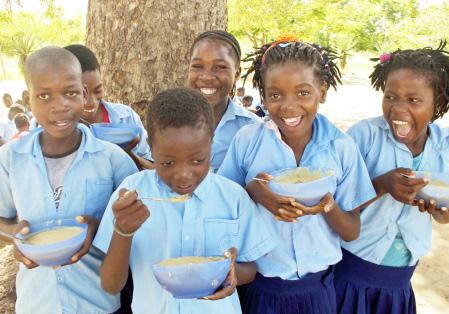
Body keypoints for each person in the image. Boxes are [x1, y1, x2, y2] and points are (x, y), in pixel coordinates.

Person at [217, 37, 376, 314]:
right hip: (260, 286)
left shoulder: (341, 147)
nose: (288, 107)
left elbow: (351, 231)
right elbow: (224, 205)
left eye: (303, 93)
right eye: (275, 95)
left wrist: (327, 205)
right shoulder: (248, 140)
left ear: (322, 92)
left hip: (318, 290)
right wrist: (255, 191)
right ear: (264, 97)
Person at [0, 46, 138, 313]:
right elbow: (0, 221)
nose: (59, 105)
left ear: (84, 95)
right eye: (44, 96)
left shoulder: (112, 160)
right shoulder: (10, 158)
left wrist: (97, 227)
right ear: (29, 99)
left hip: (98, 302)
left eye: (70, 93)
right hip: (38, 302)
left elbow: (133, 225)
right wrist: (15, 236)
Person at [94, 88, 275, 314]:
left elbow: (250, 268)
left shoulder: (232, 197)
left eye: (198, 160)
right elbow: (111, 285)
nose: (183, 175)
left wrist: (232, 274)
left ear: (212, 142)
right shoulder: (131, 195)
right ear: (151, 147)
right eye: (168, 163)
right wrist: (123, 231)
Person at [334, 42, 449, 314]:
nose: (397, 109)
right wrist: (381, 184)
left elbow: (447, 215)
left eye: (413, 100)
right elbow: (338, 204)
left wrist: (441, 211)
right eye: (390, 96)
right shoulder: (365, 135)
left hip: (401, 277)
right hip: (351, 268)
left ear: (439, 103)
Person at [64, 44, 152, 170]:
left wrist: (128, 156)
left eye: (98, 90)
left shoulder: (127, 117)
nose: (90, 102)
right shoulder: (56, 130)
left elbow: (154, 171)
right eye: (79, 93)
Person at [186, 30, 261, 172]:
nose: (207, 77)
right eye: (197, 66)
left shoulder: (253, 129)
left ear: (237, 74)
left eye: (220, 67)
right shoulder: (169, 121)